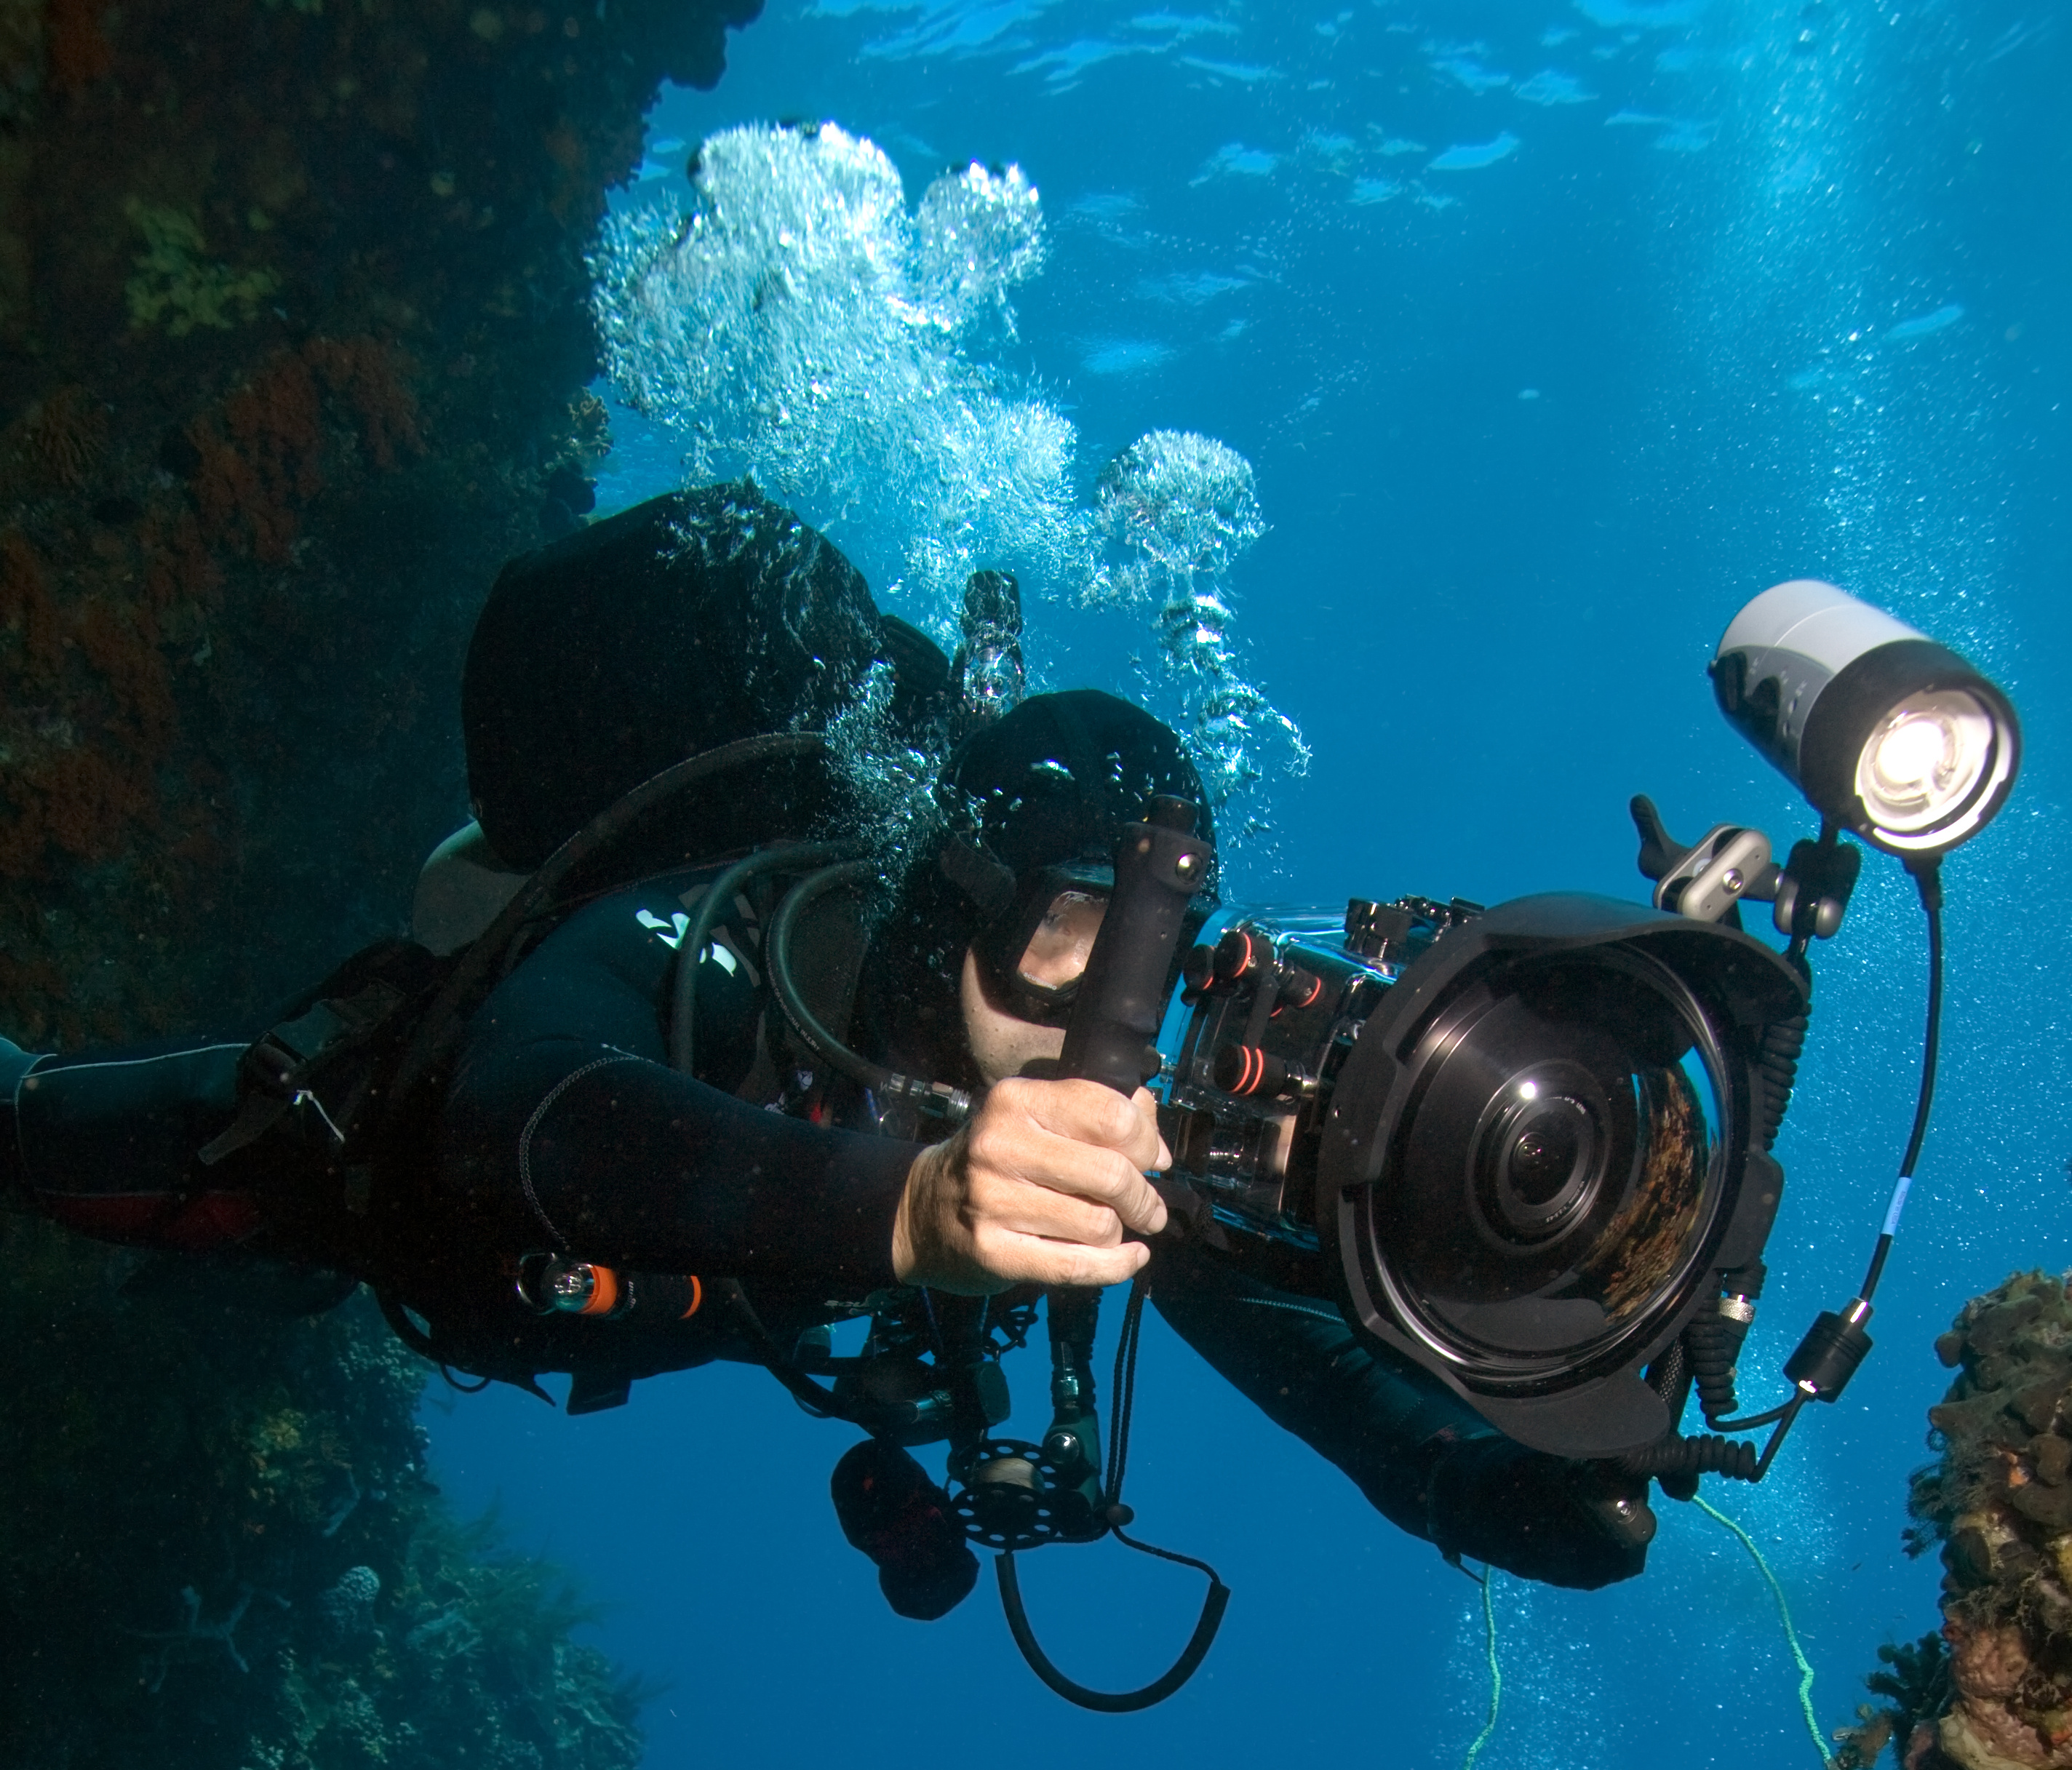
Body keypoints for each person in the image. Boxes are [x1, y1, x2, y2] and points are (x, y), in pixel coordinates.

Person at [0, 482, 1649, 1594]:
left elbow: (1315, 1370)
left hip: (578, 1302)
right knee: (63, 1140)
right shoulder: (749, 940)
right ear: (947, 908)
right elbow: (505, 1103)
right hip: (377, 1185)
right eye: (1067, 950)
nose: (1103, 1028)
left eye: (1146, 977)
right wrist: (907, 1213)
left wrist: (1519, 1483)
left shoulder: (1084, 1113)